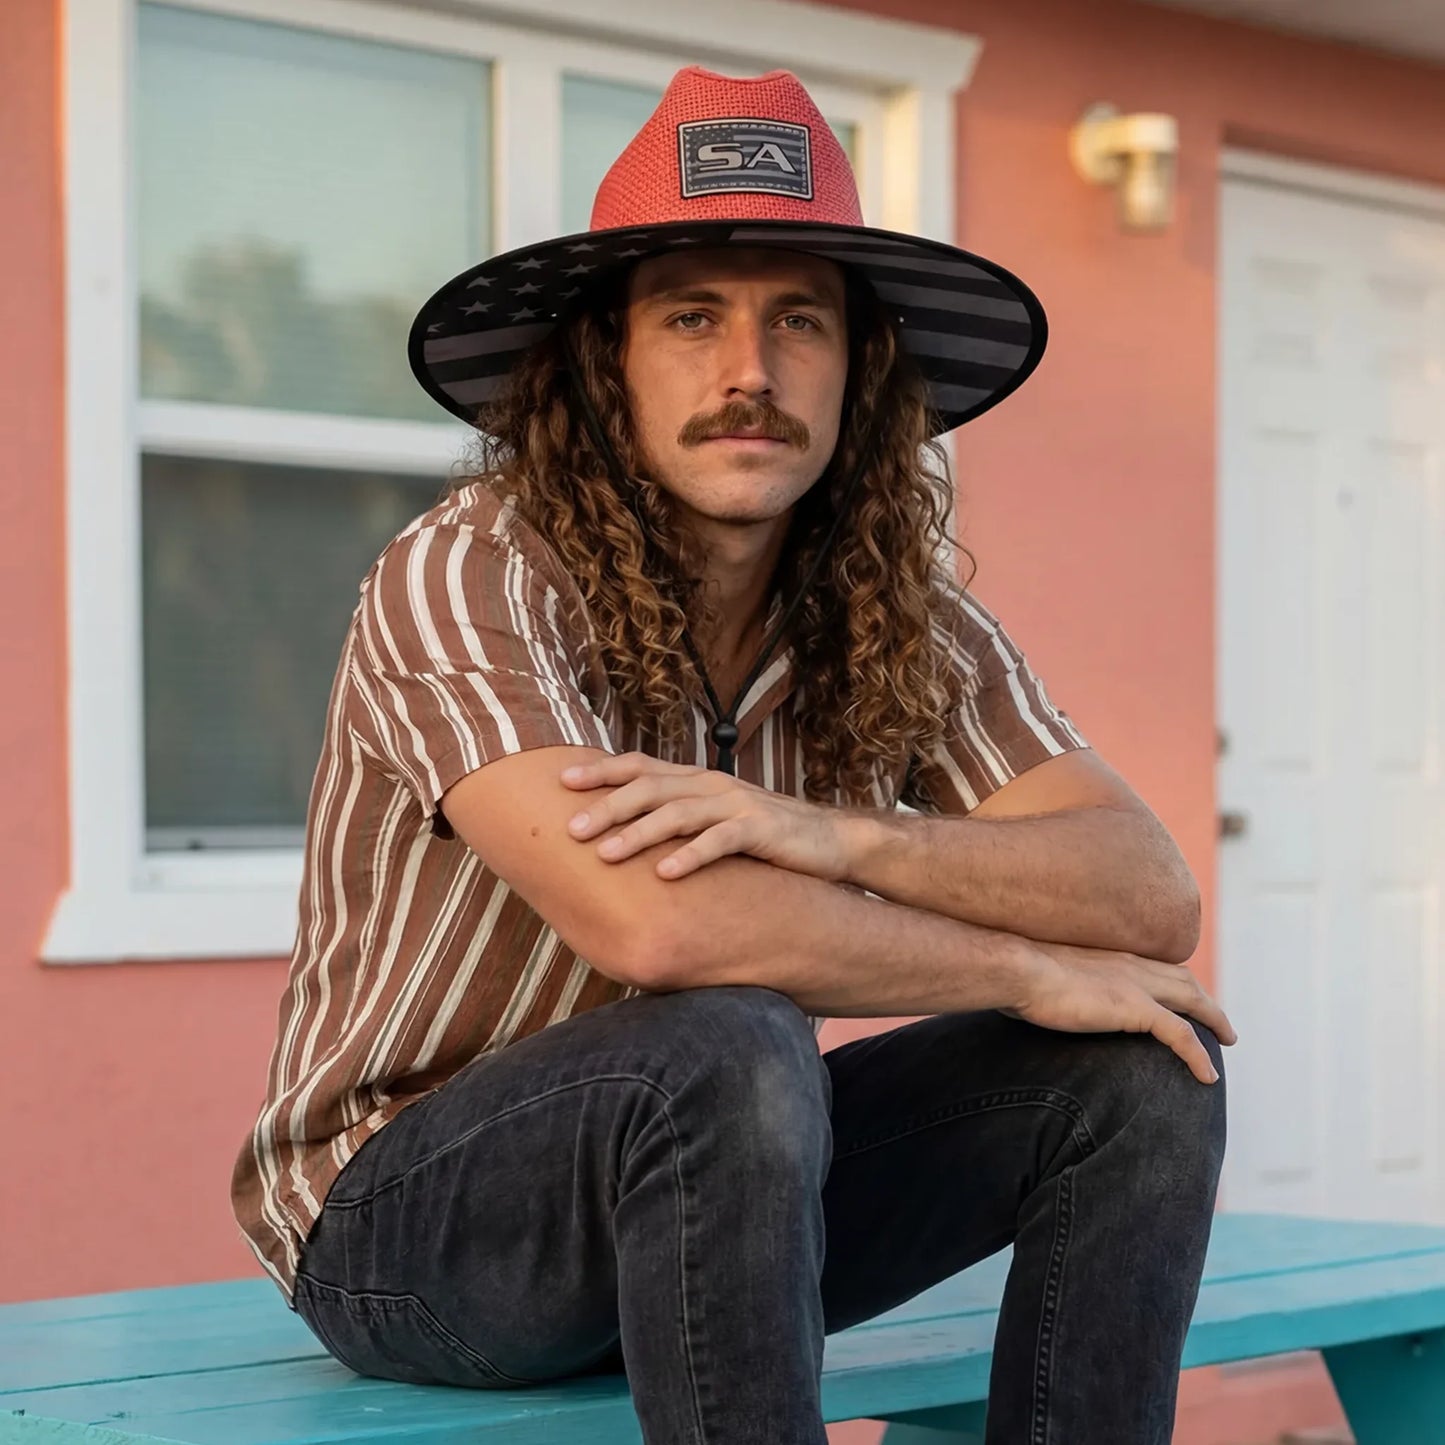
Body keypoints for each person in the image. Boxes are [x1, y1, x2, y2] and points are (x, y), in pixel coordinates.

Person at [233, 65, 1232, 1445]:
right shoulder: (469, 570)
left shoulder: (897, 615)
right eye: (691, 317)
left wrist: (841, 833)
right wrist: (1015, 963)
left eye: (797, 323)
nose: (747, 372)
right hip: (407, 1228)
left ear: (858, 369)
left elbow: (1143, 889)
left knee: (1140, 1063)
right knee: (728, 1031)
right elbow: (654, 921)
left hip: (732, 1193)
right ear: (606, 364)